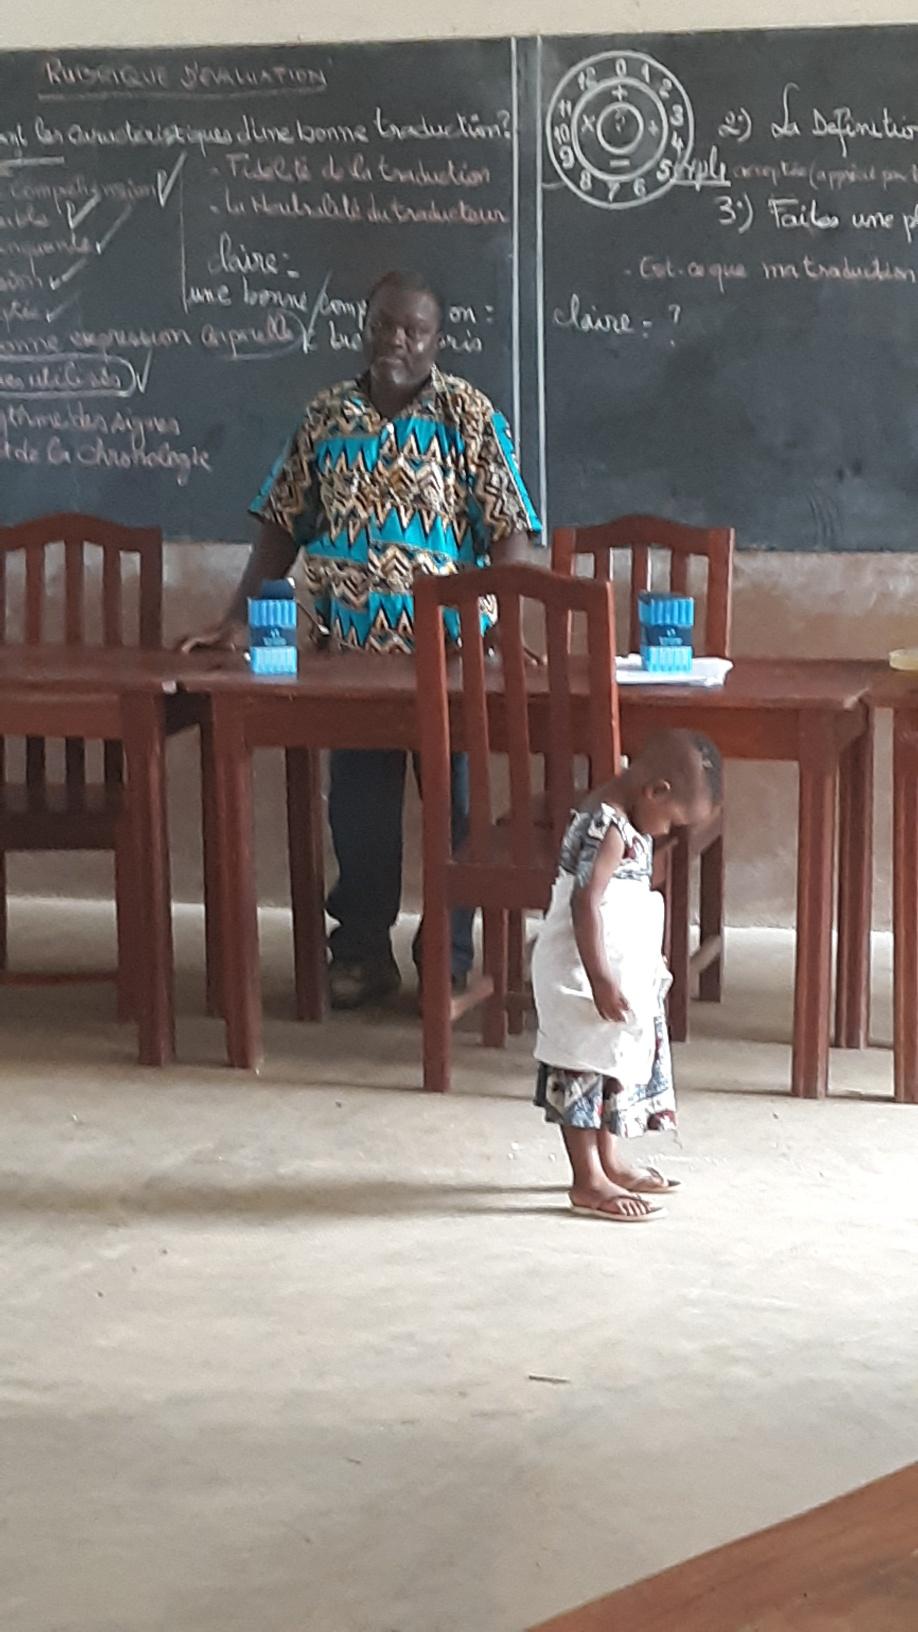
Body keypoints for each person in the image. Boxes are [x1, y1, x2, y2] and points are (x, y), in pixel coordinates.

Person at [179, 269, 541, 1009]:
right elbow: (281, 524)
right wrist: (237, 617)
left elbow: (509, 530)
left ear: (436, 339)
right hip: (350, 657)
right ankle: (362, 953)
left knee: (456, 813)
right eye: (384, 325)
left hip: (452, 658)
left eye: (414, 329)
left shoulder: (469, 414)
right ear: (364, 328)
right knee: (359, 813)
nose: (396, 340)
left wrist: (504, 627)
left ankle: (447, 957)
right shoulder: (326, 417)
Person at [532, 730, 723, 1223]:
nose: (667, 832)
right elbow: (585, 901)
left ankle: (608, 1161)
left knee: (609, 1063)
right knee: (582, 1065)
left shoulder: (627, 813)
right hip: (583, 972)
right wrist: (599, 978)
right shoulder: (608, 825)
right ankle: (587, 1179)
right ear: (655, 791)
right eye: (672, 822)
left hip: (612, 969)